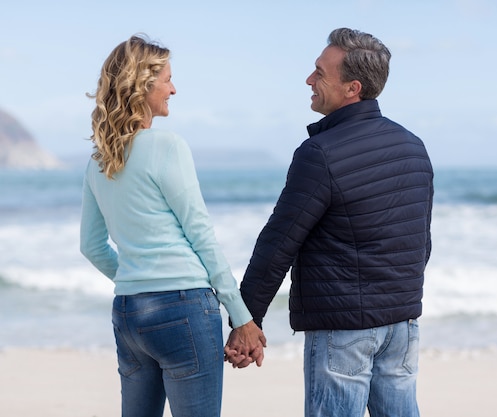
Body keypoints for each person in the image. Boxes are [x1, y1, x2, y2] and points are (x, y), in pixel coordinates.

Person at [225, 28, 433, 417]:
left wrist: (245, 319)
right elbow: (421, 244)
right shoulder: (413, 146)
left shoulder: (319, 153)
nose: (309, 80)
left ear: (352, 87)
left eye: (320, 72)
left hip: (344, 331)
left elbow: (278, 243)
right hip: (402, 326)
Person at [80, 34, 266, 417]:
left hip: (129, 312)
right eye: (166, 79)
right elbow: (200, 235)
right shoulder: (167, 147)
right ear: (143, 85)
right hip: (182, 310)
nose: (173, 89)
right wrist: (242, 317)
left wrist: (136, 276)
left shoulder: (99, 160)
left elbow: (92, 246)